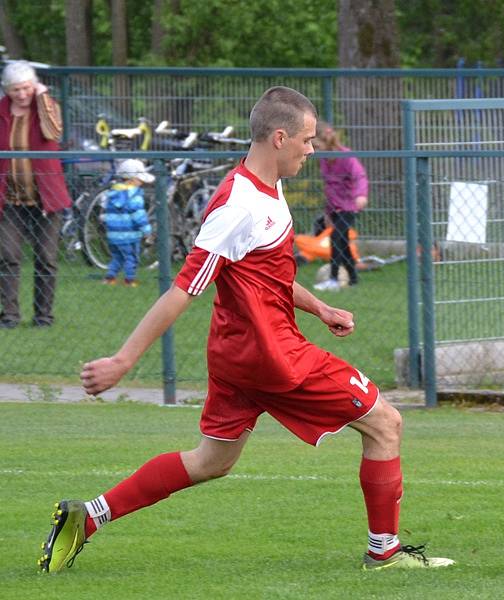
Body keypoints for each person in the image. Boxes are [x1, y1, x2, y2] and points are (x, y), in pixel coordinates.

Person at [38, 86, 453, 573]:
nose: (311, 149)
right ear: (280, 137)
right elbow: (182, 289)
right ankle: (383, 551)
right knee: (386, 424)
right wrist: (123, 361)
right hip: (274, 358)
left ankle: (86, 518)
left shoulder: (265, 187)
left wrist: (320, 308)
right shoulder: (237, 206)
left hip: (238, 355)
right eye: (307, 139)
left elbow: (265, 274)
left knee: (211, 461)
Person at [0, 61, 72, 328]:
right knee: (8, 257)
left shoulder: (47, 105)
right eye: (16, 89)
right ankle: (9, 316)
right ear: (7, 90)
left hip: (45, 198)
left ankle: (43, 316)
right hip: (9, 199)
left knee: (46, 257)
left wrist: (42, 97)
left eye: (27, 88)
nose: (21, 94)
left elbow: (53, 132)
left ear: (35, 86)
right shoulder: (1, 112)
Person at [312, 121, 368, 291]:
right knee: (343, 243)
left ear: (324, 142)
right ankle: (353, 278)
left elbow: (360, 176)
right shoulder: (323, 160)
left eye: (315, 144)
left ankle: (334, 279)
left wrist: (361, 195)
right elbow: (329, 188)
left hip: (349, 206)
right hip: (335, 208)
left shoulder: (346, 156)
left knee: (336, 239)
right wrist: (328, 213)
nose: (312, 149)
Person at [102, 158, 154, 287]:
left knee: (117, 257)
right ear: (132, 179)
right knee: (131, 257)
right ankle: (129, 280)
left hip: (113, 234)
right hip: (130, 235)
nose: (142, 182)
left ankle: (110, 278)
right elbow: (139, 216)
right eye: (140, 179)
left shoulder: (113, 193)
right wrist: (147, 230)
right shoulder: (135, 196)